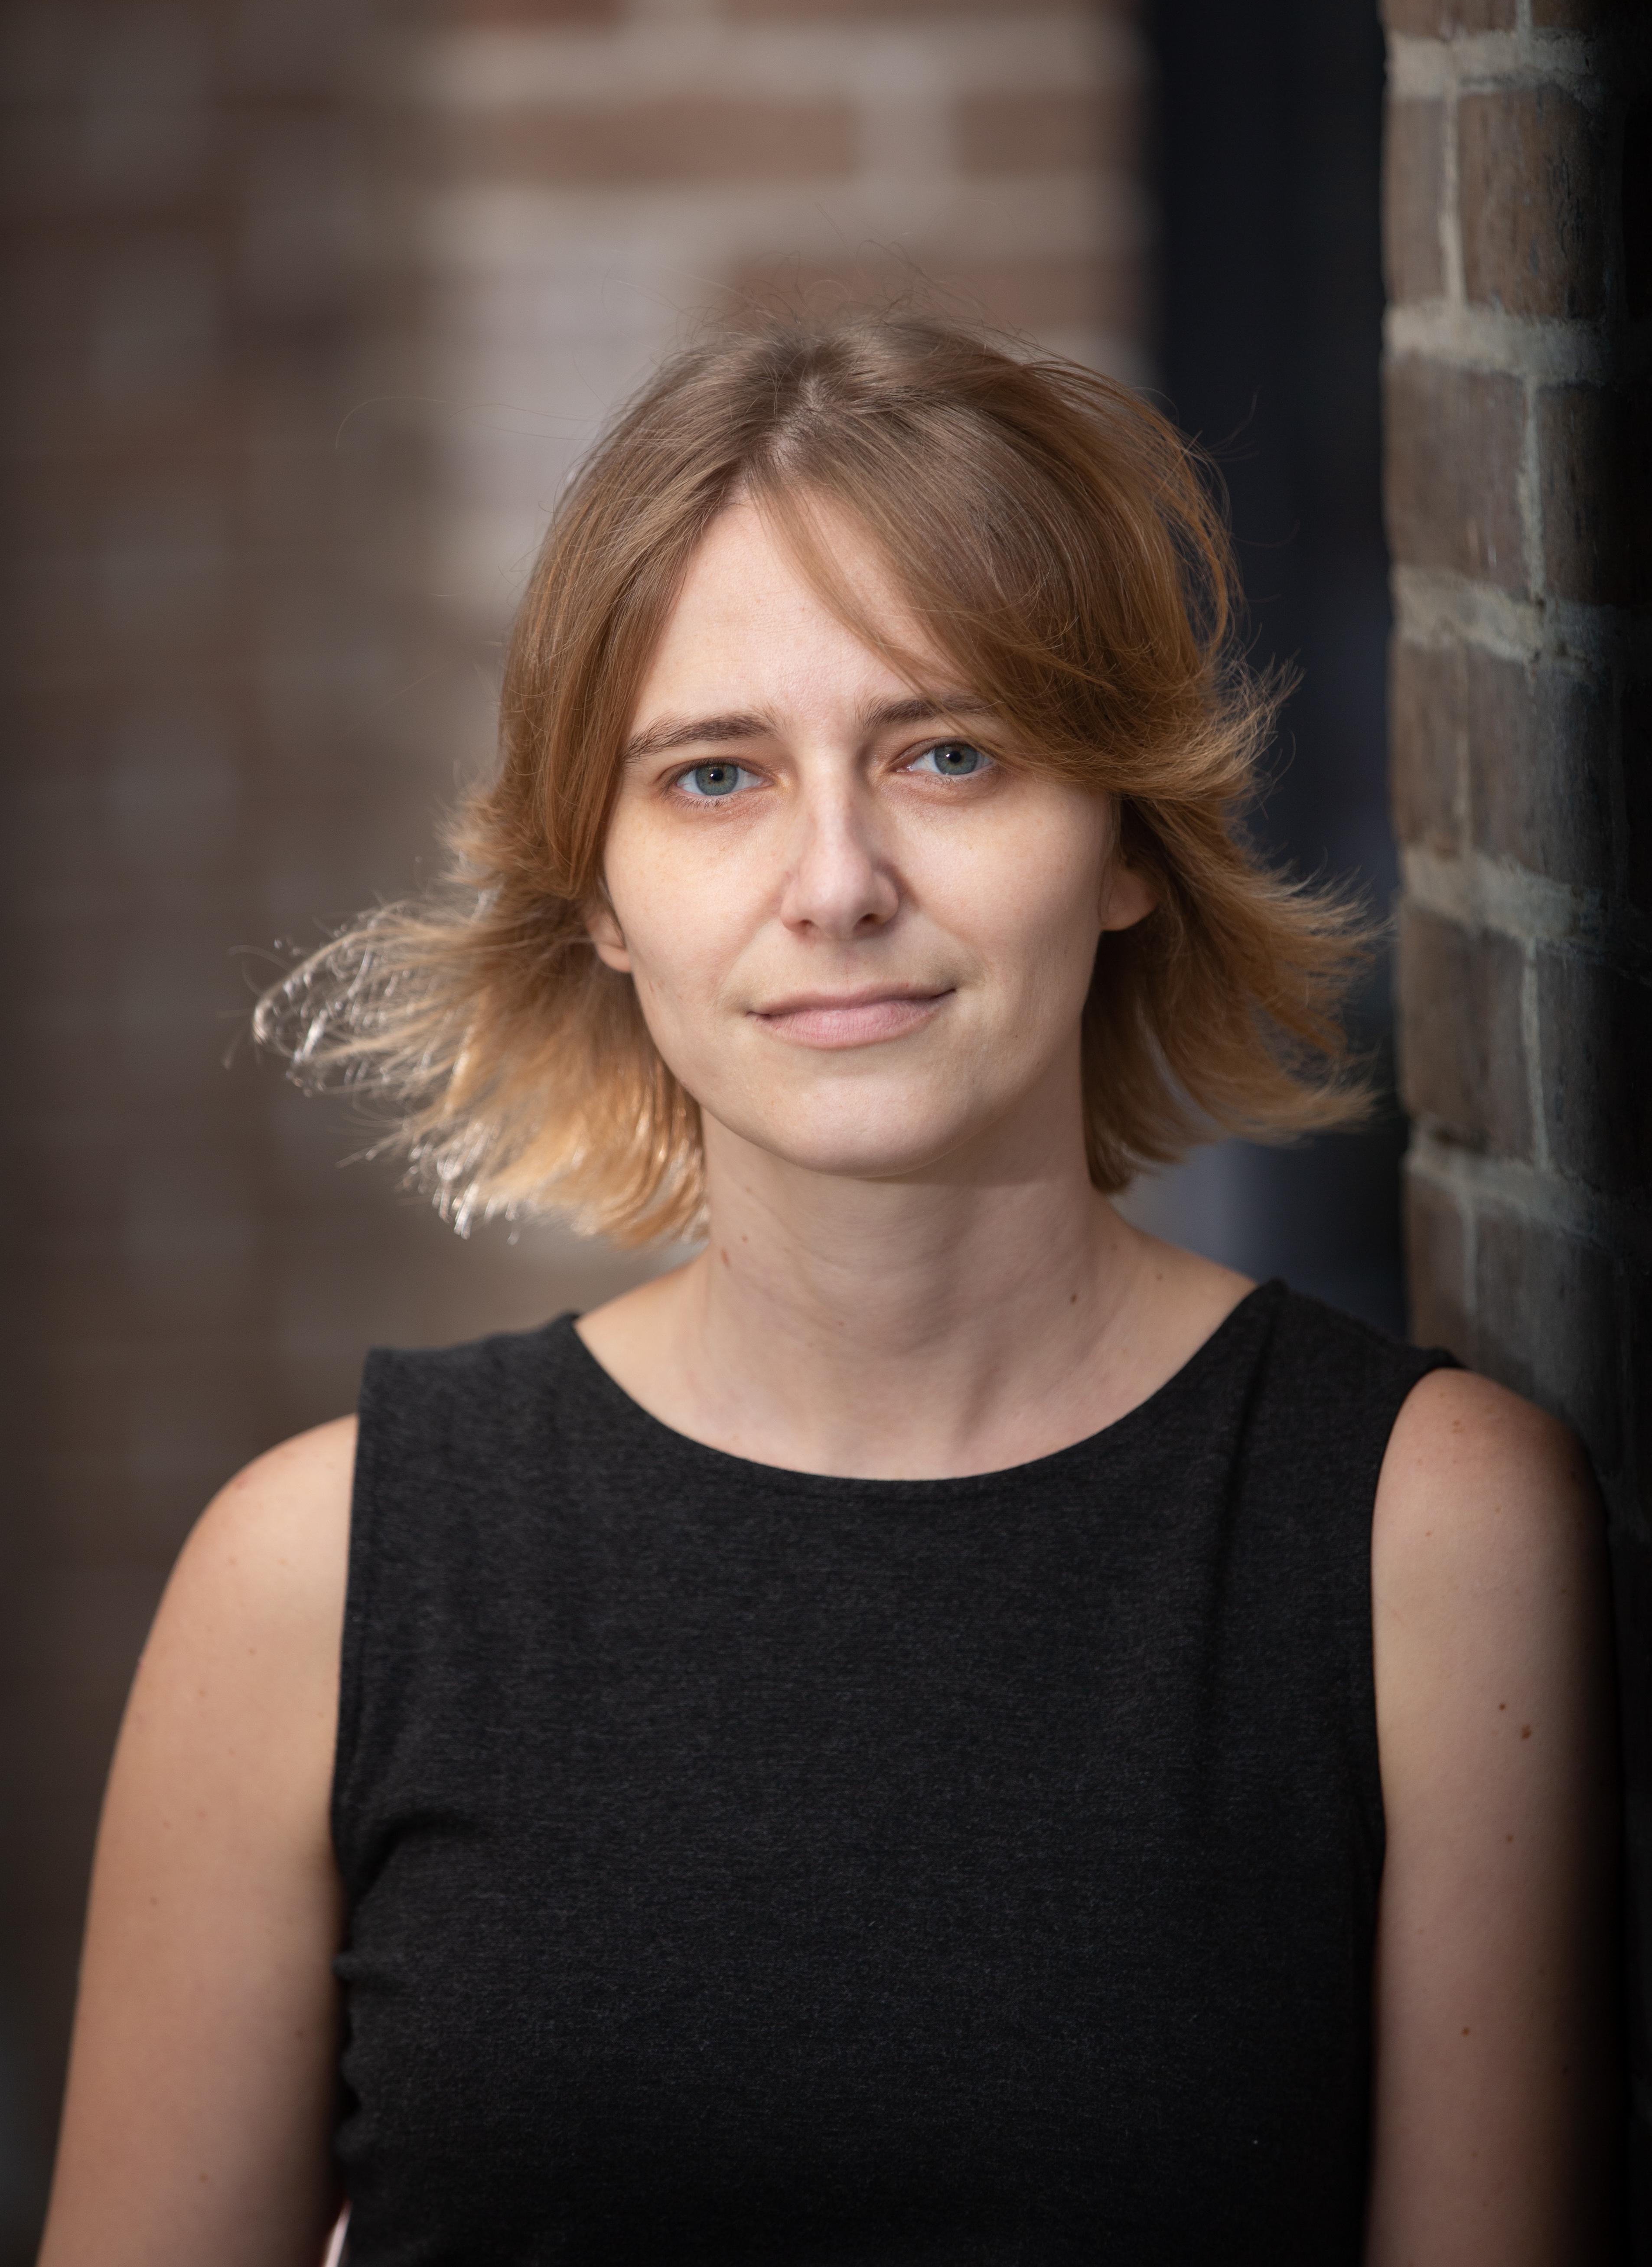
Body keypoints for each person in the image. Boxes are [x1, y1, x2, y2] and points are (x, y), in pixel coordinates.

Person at [37, 309, 1619, 2267]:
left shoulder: (1427, 1537)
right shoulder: (315, 1576)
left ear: (1122, 836)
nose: (837, 879)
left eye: (947, 752)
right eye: (713, 778)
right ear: (598, 892)